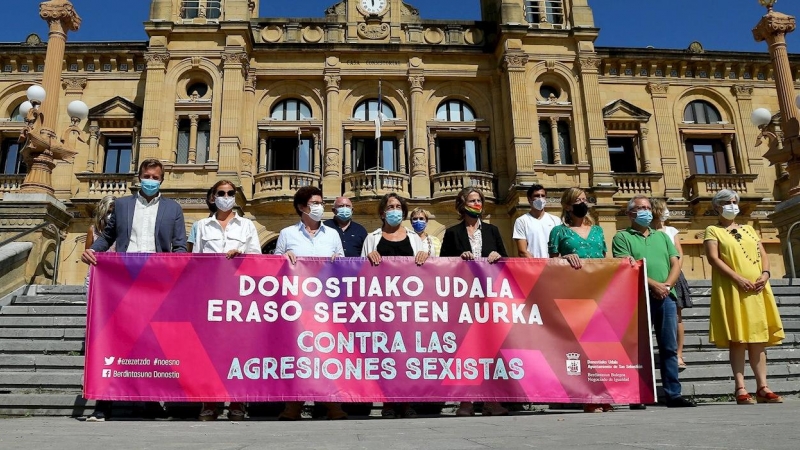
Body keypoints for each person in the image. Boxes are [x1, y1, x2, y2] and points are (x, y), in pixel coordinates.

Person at [81, 158, 187, 422]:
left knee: (152, 342)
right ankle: (103, 404)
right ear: (138, 176)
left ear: (162, 180)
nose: (150, 180)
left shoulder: (173, 208)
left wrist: (176, 269)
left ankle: (150, 402)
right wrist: (94, 251)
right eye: (146, 175)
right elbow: (109, 236)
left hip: (156, 281)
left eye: (155, 176)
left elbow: (180, 245)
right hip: (123, 277)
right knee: (115, 339)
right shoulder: (123, 205)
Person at [612, 195, 696, 408]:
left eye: (648, 208)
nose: (646, 211)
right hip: (637, 296)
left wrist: (666, 286)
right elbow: (628, 266)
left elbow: (675, 263)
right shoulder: (622, 237)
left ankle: (673, 394)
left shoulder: (662, 237)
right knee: (639, 348)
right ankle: (638, 394)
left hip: (667, 296)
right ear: (631, 213)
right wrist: (654, 285)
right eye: (641, 208)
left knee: (668, 346)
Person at [704, 190, 784, 405]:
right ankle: (740, 387)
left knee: (758, 339)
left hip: (757, 289)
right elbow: (713, 258)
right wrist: (738, 279)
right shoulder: (713, 230)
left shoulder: (749, 229)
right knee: (738, 339)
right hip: (733, 288)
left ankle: (763, 387)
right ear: (718, 207)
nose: (733, 205)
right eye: (728, 202)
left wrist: (766, 274)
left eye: (734, 202)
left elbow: (763, 254)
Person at [274, 186, 347, 421]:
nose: (320, 207)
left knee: (326, 354)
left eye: (321, 202)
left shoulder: (333, 234)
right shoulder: (286, 234)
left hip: (325, 304)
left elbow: (344, 267)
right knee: (297, 354)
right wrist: (284, 260)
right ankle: (293, 405)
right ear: (301, 207)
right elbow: (274, 265)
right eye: (315, 203)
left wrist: (338, 262)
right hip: (296, 305)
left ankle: (330, 403)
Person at [193, 180, 261, 421]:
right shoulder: (201, 226)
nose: (226, 196)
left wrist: (242, 255)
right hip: (210, 296)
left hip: (238, 298)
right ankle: (209, 402)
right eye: (221, 193)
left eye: (230, 193)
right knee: (209, 351)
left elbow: (258, 261)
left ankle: (237, 402)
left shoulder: (247, 227)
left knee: (238, 351)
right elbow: (194, 262)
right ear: (212, 197)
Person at [440, 187, 509, 417]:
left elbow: (507, 261)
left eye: (479, 200)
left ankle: (492, 400)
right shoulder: (452, 233)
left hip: (489, 298)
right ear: (462, 204)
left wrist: (498, 257)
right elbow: (441, 265)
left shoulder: (493, 230)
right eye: (472, 200)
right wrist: (458, 259)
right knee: (466, 349)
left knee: (491, 349)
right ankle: (466, 401)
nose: (477, 203)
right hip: (463, 299)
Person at [362, 194, 428, 418]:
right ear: (382, 212)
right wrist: (367, 258)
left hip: (409, 308)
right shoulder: (371, 238)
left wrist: (424, 257)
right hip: (382, 309)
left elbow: (426, 273)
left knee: (408, 354)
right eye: (390, 207)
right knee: (385, 355)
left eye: (398, 206)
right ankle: (388, 402)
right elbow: (360, 275)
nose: (394, 210)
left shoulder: (414, 238)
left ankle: (406, 401)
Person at [548, 187, 612, 413]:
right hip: (573, 293)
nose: (582, 204)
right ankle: (589, 397)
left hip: (599, 291)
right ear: (567, 205)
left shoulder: (597, 231)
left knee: (601, 346)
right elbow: (551, 264)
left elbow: (604, 260)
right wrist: (565, 257)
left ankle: (605, 394)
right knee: (582, 346)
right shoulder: (558, 232)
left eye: (585, 200)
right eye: (578, 200)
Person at [650, 198, 693, 371]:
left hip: (674, 276)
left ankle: (679, 354)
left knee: (677, 316)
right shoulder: (646, 231)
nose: (667, 212)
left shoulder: (671, 230)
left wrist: (671, 278)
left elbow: (679, 254)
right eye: (664, 209)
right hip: (654, 277)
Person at [513, 184, 561, 258]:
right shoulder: (521, 221)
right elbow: (522, 251)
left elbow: (561, 245)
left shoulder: (556, 220)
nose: (540, 198)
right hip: (533, 266)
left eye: (543, 195)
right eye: (537, 196)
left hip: (553, 266)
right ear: (529, 199)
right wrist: (536, 266)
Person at [84, 195, 116, 288]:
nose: (110, 216)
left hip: (116, 275)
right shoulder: (93, 230)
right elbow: (87, 255)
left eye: (113, 213)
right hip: (97, 275)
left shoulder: (121, 231)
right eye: (108, 212)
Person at [187, 187, 217, 253]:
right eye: (212, 199)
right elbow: (189, 252)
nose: (215, 202)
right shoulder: (198, 225)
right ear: (207, 202)